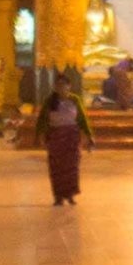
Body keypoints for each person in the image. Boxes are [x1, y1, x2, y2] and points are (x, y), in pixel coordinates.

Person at [34, 71, 94, 206]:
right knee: (56, 168)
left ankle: (70, 194)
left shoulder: (75, 100)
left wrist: (89, 136)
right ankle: (58, 196)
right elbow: (42, 120)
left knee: (72, 167)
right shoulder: (50, 101)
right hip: (56, 138)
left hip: (71, 138)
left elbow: (82, 119)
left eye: (64, 85)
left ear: (69, 86)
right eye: (58, 85)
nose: (61, 88)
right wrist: (40, 136)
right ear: (55, 87)